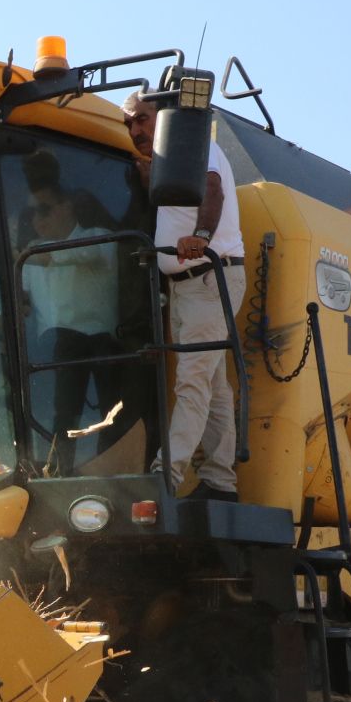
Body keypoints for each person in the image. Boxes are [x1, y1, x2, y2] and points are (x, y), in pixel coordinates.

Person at [124, 92, 244, 501]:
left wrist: (203, 237)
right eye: (130, 123)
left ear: (167, 120)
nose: (135, 129)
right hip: (187, 285)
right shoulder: (166, 165)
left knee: (192, 383)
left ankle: (164, 478)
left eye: (142, 119)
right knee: (213, 385)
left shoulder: (195, 148)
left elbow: (213, 190)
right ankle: (220, 481)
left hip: (209, 278)